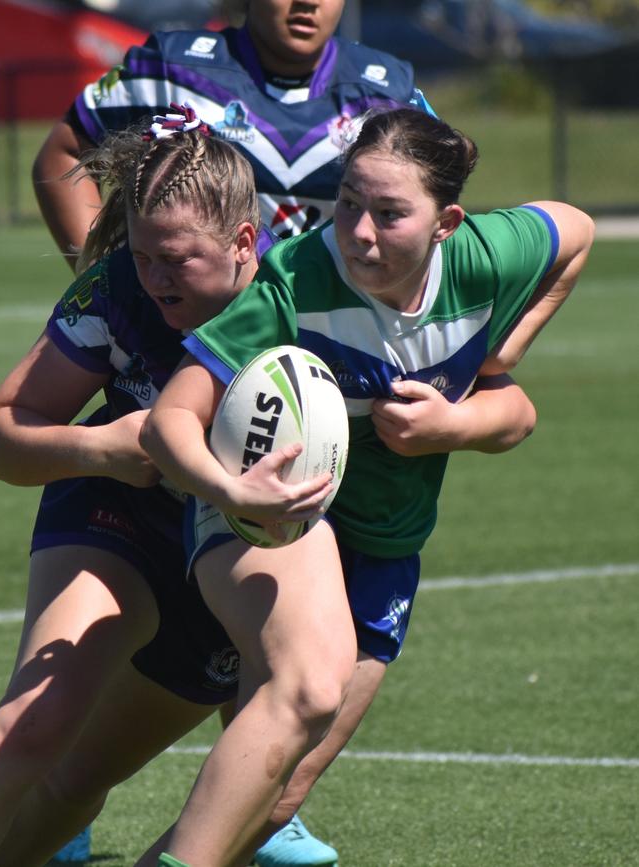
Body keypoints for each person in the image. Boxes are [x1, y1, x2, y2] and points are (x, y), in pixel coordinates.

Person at [0, 108, 535, 867]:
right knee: (38, 725)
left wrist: (455, 418)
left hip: (247, 538)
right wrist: (98, 446)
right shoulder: (117, 288)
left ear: (246, 243)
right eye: (142, 255)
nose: (153, 278)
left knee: (148, 784)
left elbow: (510, 392)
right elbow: (3, 432)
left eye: (175, 260)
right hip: (122, 511)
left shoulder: (313, 284)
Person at [139, 107, 595, 867]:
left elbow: (574, 231)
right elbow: (169, 422)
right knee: (299, 696)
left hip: (389, 539)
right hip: (273, 524)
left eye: (389, 214)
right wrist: (236, 492)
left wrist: (484, 378)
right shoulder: (296, 278)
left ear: (447, 221)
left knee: (284, 789)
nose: (358, 231)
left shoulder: (485, 259)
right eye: (349, 201)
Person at [32, 0, 436, 273]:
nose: (308, 2)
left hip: (335, 338)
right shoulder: (172, 68)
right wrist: (102, 274)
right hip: (189, 336)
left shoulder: (389, 90)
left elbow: (435, 203)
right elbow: (64, 152)